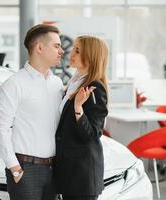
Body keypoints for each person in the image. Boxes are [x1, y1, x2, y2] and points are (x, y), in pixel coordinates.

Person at [0, 24, 64, 200]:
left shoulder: (56, 83)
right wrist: (14, 168)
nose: (61, 51)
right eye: (56, 46)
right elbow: (0, 128)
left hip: (54, 168)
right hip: (25, 168)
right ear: (39, 47)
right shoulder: (14, 84)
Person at [54, 35, 109, 200]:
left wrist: (78, 108)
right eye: (73, 48)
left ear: (90, 57)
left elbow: (92, 134)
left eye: (77, 50)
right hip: (71, 172)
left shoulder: (94, 88)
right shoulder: (74, 83)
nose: (71, 53)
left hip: (82, 176)